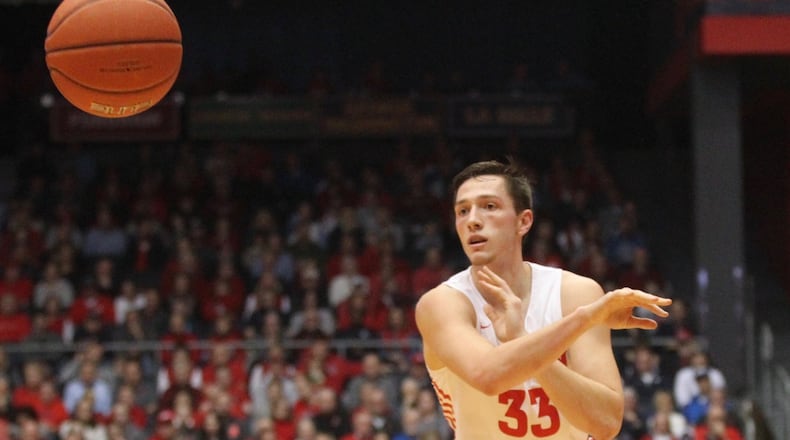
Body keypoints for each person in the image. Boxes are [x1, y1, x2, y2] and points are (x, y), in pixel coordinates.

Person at [414, 159, 672, 440]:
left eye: (489, 206)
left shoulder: (575, 293)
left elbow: (606, 423)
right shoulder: (442, 304)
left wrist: (521, 337)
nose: (473, 220)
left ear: (524, 221)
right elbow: (488, 376)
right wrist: (585, 319)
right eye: (462, 210)